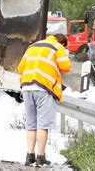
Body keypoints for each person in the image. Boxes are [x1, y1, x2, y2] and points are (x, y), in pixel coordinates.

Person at [17, 33, 71, 167]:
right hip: (43, 88)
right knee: (43, 125)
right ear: (63, 43)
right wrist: (64, 55)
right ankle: (41, 157)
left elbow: (20, 68)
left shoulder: (33, 46)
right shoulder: (57, 47)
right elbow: (66, 67)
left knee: (31, 124)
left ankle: (30, 156)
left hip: (27, 87)